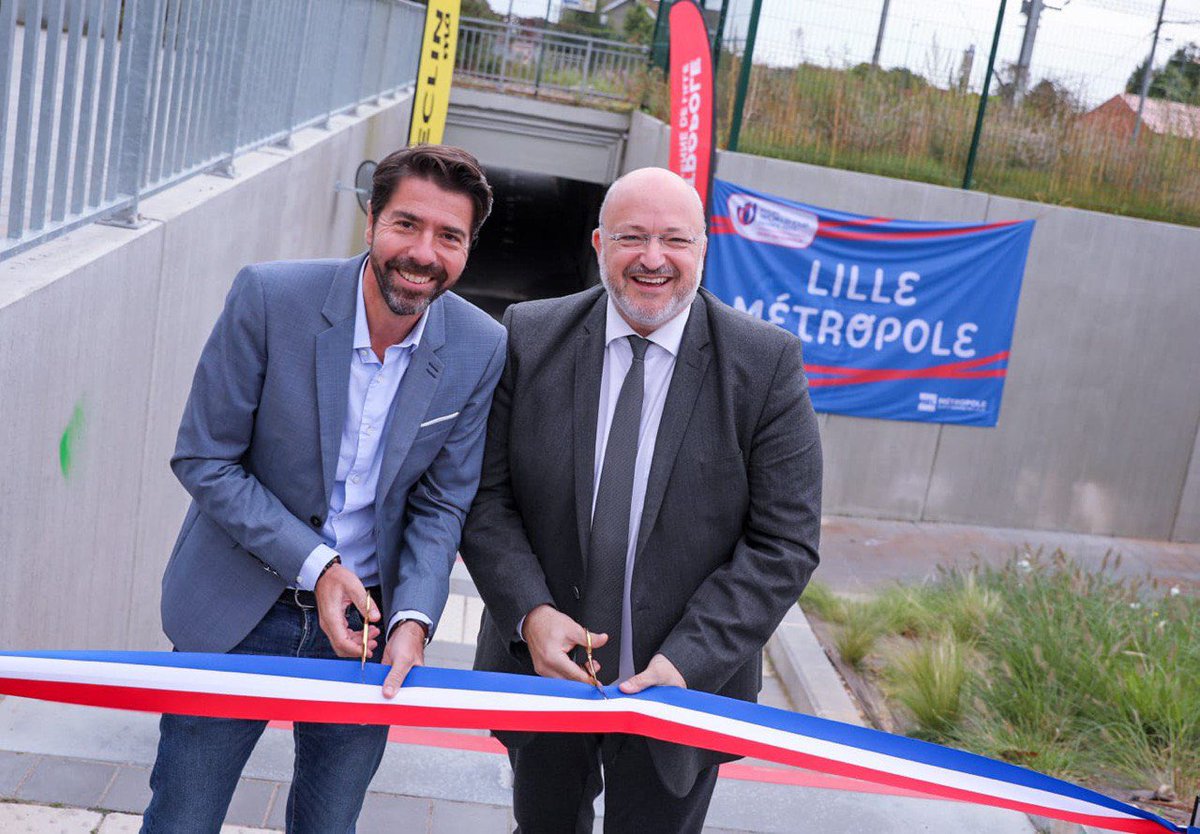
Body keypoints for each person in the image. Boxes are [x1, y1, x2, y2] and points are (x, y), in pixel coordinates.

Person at [141, 145, 506, 834]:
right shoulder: (269, 298)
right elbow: (204, 458)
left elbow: (441, 503)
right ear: (371, 221)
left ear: (468, 248)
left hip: (369, 633)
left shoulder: (480, 345)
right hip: (237, 608)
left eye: (449, 236)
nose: (423, 253)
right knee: (183, 819)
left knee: (329, 826)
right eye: (406, 224)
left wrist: (413, 621)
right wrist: (320, 565)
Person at [461, 166, 823, 833]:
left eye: (674, 240)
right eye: (631, 237)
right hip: (544, 670)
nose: (652, 258)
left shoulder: (765, 364)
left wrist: (690, 659)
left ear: (703, 250)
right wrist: (530, 614)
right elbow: (485, 498)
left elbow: (785, 543)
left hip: (683, 685)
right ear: (599, 244)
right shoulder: (529, 337)